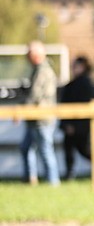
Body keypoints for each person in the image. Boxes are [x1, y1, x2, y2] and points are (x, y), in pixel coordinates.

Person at [19, 41, 60, 186]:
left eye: (29, 54)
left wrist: (21, 111)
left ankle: (53, 182)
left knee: (45, 151)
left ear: (35, 55)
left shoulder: (43, 71)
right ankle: (31, 178)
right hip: (35, 118)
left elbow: (35, 95)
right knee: (26, 148)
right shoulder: (38, 69)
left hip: (42, 118)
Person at [59, 56, 94, 179]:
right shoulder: (73, 85)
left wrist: (74, 125)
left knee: (83, 150)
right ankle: (69, 173)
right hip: (71, 123)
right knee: (70, 149)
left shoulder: (84, 84)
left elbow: (83, 106)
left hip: (79, 125)